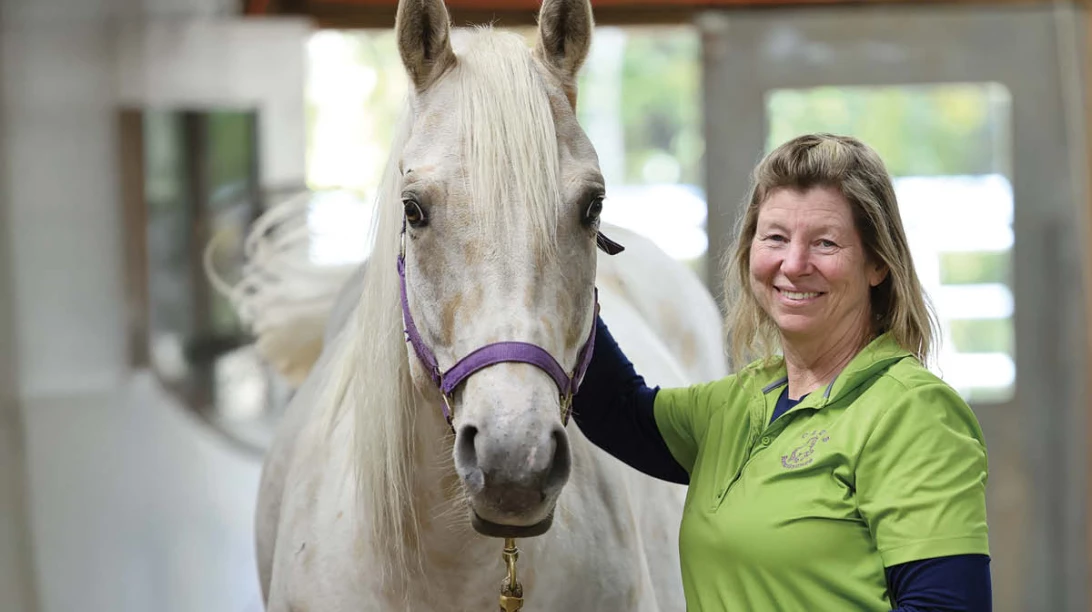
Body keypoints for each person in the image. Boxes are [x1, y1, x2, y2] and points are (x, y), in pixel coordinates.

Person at [573, 133, 991, 611]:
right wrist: (560, 272)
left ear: (878, 263)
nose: (793, 265)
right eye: (774, 238)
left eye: (825, 243)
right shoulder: (737, 405)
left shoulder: (912, 413)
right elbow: (617, 409)